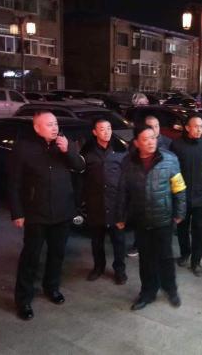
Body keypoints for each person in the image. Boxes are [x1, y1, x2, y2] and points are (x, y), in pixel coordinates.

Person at [8, 111, 85, 320]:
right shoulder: (24, 148)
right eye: (49, 124)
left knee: (57, 254)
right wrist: (17, 212)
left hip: (63, 211)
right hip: (36, 213)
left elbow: (79, 167)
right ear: (37, 128)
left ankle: (52, 287)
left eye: (56, 124)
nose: (54, 128)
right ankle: (23, 299)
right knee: (31, 257)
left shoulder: (65, 144)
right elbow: (14, 183)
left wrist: (68, 150)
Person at [118, 124, 186, 310]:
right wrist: (121, 216)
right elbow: (123, 192)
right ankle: (148, 292)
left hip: (163, 219)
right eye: (145, 139)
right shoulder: (128, 162)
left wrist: (180, 212)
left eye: (153, 138)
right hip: (141, 219)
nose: (150, 142)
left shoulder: (169, 159)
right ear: (136, 143)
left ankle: (171, 290)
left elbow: (179, 188)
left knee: (165, 258)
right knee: (146, 260)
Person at [171, 116, 202, 277]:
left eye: (201, 127)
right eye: (196, 126)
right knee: (182, 229)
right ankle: (185, 253)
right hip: (182, 197)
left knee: (199, 230)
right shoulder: (176, 145)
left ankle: (196, 261)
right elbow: (171, 171)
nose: (199, 129)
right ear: (187, 128)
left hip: (201, 195)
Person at [81, 118, 128, 284]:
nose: (107, 132)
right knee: (97, 241)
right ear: (95, 132)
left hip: (116, 205)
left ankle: (120, 271)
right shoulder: (87, 153)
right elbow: (82, 179)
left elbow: (126, 179)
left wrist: (125, 205)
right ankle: (98, 267)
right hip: (96, 204)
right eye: (102, 129)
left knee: (119, 241)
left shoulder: (120, 151)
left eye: (109, 128)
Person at [126, 115, 173, 258]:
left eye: (157, 126)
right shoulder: (135, 144)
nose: (154, 129)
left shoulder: (168, 143)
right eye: (150, 126)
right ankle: (138, 244)